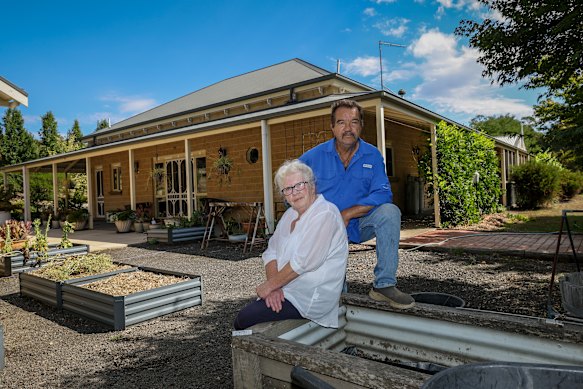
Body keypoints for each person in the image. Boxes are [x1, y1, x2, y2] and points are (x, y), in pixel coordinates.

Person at [300, 99, 414, 309]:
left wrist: (348, 213)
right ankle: (334, 294)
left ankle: (384, 285)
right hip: (327, 228)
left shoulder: (372, 155)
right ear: (332, 126)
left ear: (361, 125)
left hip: (359, 223)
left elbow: (383, 192)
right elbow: (289, 186)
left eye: (354, 122)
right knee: (335, 297)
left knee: (390, 212)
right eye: (341, 123)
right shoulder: (312, 157)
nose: (348, 128)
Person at [234, 160, 348, 330]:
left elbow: (303, 262)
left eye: (299, 185)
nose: (294, 193)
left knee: (243, 319)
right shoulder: (290, 214)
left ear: (312, 186)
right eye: (288, 189)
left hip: (310, 295)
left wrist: (270, 286)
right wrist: (274, 287)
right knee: (246, 318)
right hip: (286, 288)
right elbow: (270, 252)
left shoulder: (325, 213)